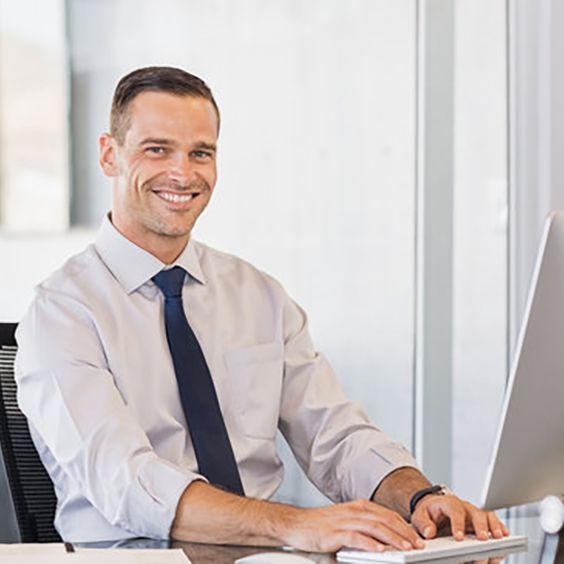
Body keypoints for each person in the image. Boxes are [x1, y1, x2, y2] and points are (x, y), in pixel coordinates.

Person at [15, 66, 506, 551]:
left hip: (263, 555)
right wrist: (294, 525)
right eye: (157, 149)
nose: (183, 173)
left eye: (200, 153)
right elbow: (125, 481)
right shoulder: (61, 314)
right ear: (109, 154)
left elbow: (334, 434)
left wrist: (417, 495)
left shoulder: (259, 296)